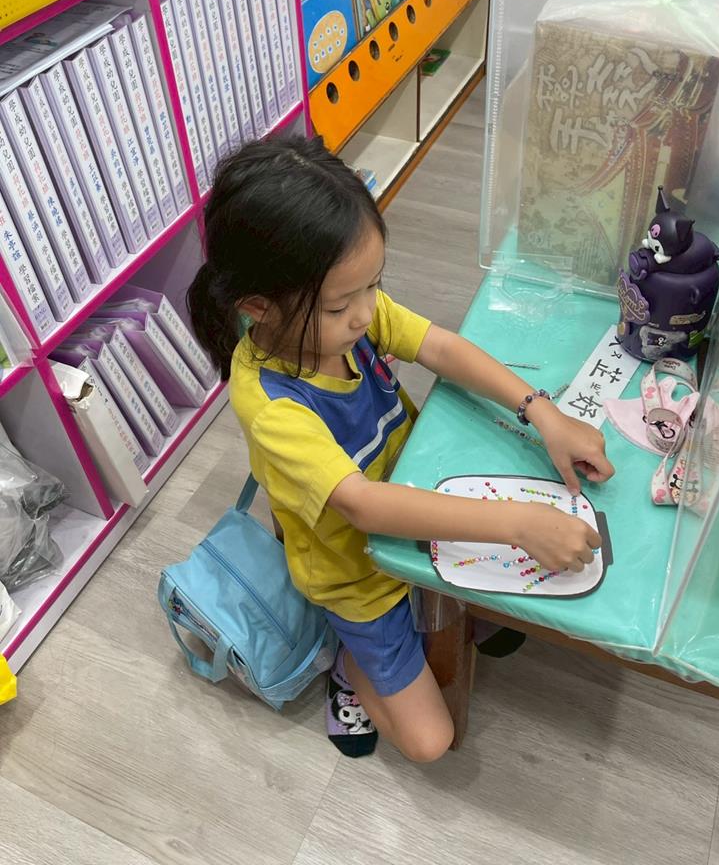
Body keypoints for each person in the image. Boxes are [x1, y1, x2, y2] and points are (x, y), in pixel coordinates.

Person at [188, 137, 614, 764]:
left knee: (479, 603)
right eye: (341, 304)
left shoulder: (345, 316)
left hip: (420, 500)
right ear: (259, 307)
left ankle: (444, 608)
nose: (366, 315)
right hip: (355, 573)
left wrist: (542, 411)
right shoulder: (271, 402)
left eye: (373, 286)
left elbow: (439, 346)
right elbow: (362, 506)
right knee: (431, 742)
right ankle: (348, 661)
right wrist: (518, 525)